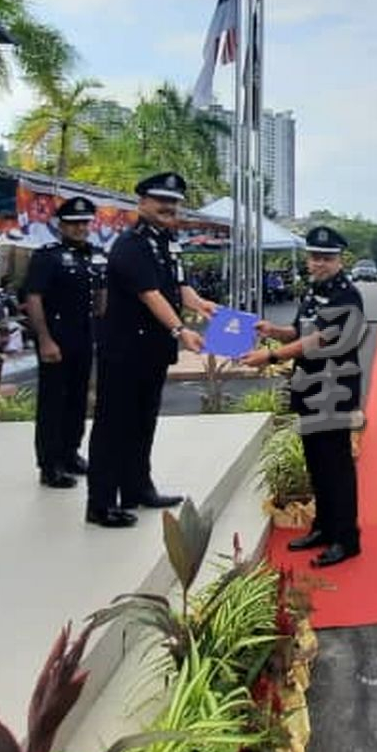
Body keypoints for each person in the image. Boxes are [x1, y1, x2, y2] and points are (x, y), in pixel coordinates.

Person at [86, 172, 215, 528]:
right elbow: (150, 294)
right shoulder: (131, 244)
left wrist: (203, 305)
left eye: (173, 202)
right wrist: (180, 329)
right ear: (142, 203)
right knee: (114, 425)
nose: (168, 207)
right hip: (125, 349)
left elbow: (177, 285)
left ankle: (137, 488)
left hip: (152, 350)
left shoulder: (166, 242)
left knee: (143, 421)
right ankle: (101, 503)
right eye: (161, 200)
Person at [242, 226, 365, 568]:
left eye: (326, 258)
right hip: (310, 386)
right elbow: (300, 331)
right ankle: (323, 527)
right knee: (316, 462)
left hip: (334, 389)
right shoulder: (314, 292)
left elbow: (321, 340)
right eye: (314, 257)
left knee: (336, 465)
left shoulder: (346, 295)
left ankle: (346, 537)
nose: (319, 263)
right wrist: (274, 332)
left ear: (340, 260)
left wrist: (271, 356)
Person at [23, 196, 105, 489]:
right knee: (53, 402)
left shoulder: (95, 255)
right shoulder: (47, 256)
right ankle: (49, 464)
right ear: (61, 225)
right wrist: (44, 339)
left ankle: (70, 452)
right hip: (56, 336)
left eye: (84, 223)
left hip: (84, 336)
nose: (80, 228)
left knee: (78, 398)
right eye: (73, 223)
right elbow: (33, 298)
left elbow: (101, 294)